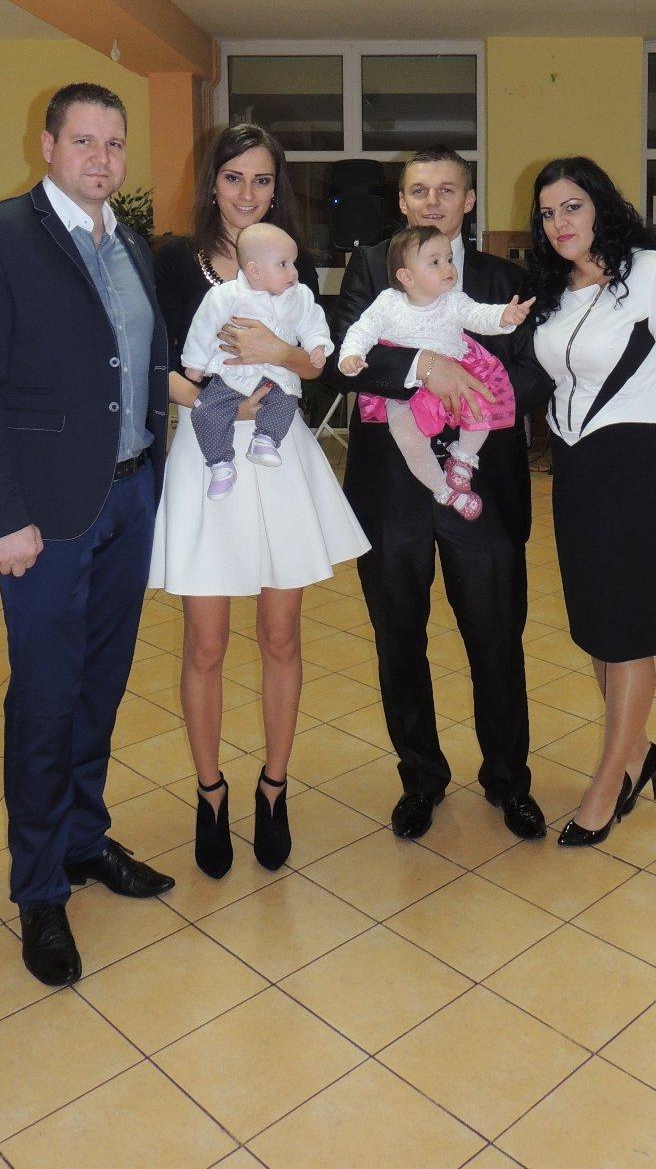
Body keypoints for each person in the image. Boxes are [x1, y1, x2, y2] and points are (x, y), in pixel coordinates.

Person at [0, 82, 174, 989]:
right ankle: (39, 888)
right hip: (43, 518)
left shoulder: (131, 245)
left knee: (101, 684)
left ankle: (83, 838)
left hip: (129, 497)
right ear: (47, 145)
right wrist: (0, 515)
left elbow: (137, 365)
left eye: (114, 143)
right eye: (84, 141)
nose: (101, 158)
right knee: (44, 697)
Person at [150, 123, 367, 878]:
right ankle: (210, 792)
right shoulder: (175, 261)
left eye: (263, 179)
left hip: (278, 459)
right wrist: (218, 402)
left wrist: (281, 357)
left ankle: (274, 786)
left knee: (281, 636)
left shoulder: (290, 264)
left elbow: (323, 362)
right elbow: (157, 365)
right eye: (234, 177)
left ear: (279, 189)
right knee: (205, 644)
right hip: (209, 452)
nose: (248, 193)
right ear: (212, 183)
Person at [326, 146, 549, 842]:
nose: (432, 202)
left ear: (469, 202)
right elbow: (345, 359)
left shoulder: (502, 281)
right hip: (392, 489)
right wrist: (425, 366)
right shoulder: (373, 269)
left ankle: (508, 780)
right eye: (419, 191)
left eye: (447, 190)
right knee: (399, 639)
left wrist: (475, 396)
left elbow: (533, 372)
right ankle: (421, 777)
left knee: (496, 638)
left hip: (482, 485)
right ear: (402, 203)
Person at [528, 157, 656, 847]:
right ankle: (637, 753)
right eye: (548, 213)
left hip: (642, 466)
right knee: (599, 628)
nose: (560, 223)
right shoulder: (557, 291)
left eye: (572, 206)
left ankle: (607, 782)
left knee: (629, 631)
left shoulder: (654, 274)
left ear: (601, 205)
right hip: (578, 469)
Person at [338, 226, 533, 519]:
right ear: (407, 277)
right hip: (407, 389)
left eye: (449, 259)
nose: (448, 268)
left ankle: (463, 460)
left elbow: (478, 315)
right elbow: (362, 329)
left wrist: (504, 317)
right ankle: (444, 489)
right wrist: (351, 354)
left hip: (457, 375)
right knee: (406, 437)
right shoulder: (389, 302)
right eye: (435, 262)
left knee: (482, 406)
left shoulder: (453, 299)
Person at [183, 224, 332, 491]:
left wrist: (317, 346)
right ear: (254, 270)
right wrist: (195, 364)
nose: (294, 272)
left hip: (277, 378)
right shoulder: (225, 296)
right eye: (283, 264)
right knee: (205, 412)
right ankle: (220, 463)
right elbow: (202, 328)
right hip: (232, 377)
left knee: (286, 401)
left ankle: (266, 439)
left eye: (294, 263)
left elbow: (313, 324)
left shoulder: (299, 296)